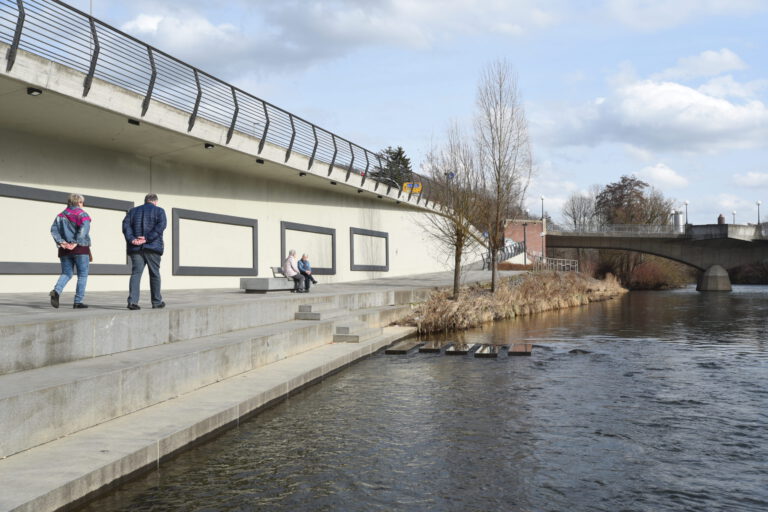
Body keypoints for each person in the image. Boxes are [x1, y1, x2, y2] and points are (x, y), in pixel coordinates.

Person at [122, 193, 167, 310]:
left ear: (145, 201)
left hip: (136, 247)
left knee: (136, 274)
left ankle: (132, 302)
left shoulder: (132, 211)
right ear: (155, 201)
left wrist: (132, 239)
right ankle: (156, 302)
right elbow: (161, 226)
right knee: (154, 274)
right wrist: (147, 238)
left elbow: (126, 226)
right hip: (153, 247)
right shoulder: (160, 211)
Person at [50, 193, 92, 309]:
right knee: (82, 275)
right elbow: (84, 229)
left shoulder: (60, 215)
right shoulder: (82, 214)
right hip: (80, 248)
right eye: (82, 202)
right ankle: (78, 302)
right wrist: (75, 242)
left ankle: (56, 291)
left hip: (64, 250)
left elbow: (53, 230)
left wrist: (62, 242)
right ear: (79, 202)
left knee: (66, 273)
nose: (82, 204)